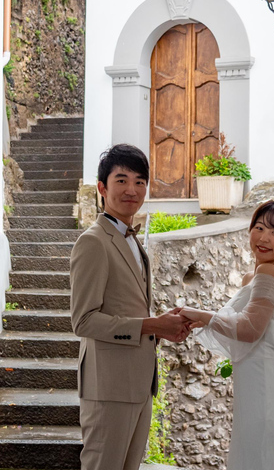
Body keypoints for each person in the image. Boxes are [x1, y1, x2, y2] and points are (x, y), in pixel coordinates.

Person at [69, 144, 191, 470]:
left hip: (138, 384)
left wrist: (164, 329)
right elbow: (84, 321)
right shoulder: (93, 241)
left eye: (140, 181)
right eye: (121, 180)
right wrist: (151, 326)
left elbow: (129, 306)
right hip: (108, 388)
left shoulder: (132, 239)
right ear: (102, 188)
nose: (132, 190)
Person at [179, 199, 274, 470]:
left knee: (260, 458)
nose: (264, 238)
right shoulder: (259, 275)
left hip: (263, 384)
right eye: (259, 228)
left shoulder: (269, 272)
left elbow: (249, 330)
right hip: (259, 380)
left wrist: (200, 315)